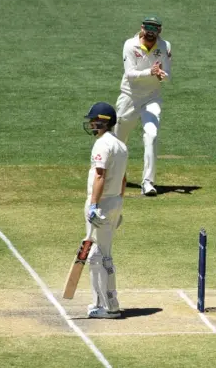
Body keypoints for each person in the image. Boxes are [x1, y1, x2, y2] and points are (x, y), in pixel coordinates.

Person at [113, 15, 171, 196]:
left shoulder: (164, 46)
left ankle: (147, 183)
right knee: (118, 140)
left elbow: (167, 73)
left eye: (154, 29)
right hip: (129, 97)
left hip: (152, 98)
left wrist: (162, 75)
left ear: (159, 30)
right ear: (142, 28)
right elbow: (130, 74)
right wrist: (150, 71)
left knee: (151, 135)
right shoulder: (130, 45)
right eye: (148, 28)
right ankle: (114, 176)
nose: (151, 32)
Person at [83, 102, 128, 318]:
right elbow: (123, 178)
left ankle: (111, 306)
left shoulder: (103, 145)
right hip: (114, 202)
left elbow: (100, 176)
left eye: (94, 120)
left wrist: (93, 205)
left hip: (101, 204)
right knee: (98, 255)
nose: (91, 123)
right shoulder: (121, 145)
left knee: (99, 256)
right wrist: (118, 206)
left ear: (103, 121)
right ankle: (102, 303)